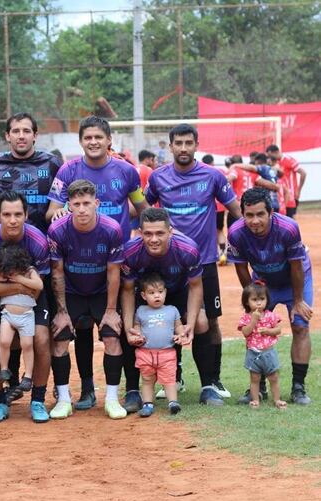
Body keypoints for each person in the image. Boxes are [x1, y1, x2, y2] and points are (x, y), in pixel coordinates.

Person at [46, 116, 148, 412]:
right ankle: (86, 388)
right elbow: (52, 210)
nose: (93, 142)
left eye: (98, 137)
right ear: (81, 141)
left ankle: (128, 391)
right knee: (78, 328)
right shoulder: (68, 170)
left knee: (117, 325)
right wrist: (64, 216)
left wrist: (162, 228)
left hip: (115, 259)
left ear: (108, 140)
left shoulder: (127, 171)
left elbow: (142, 207)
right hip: (77, 259)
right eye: (88, 137)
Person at [144, 124, 241, 402]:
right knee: (166, 320)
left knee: (208, 322)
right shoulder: (159, 178)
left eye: (188, 143)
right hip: (168, 263)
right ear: (170, 146)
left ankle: (213, 379)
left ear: (196, 144)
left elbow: (235, 210)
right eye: (179, 143)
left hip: (205, 261)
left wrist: (242, 241)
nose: (183, 148)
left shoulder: (212, 176)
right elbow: (142, 209)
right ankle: (173, 377)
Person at [0, 112, 62, 398]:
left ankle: (46, 385)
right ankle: (12, 383)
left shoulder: (51, 162)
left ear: (35, 135)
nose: (20, 135)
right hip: (5, 251)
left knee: (38, 327)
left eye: (26, 130)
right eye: (15, 131)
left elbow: (63, 192)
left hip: (40, 248)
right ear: (7, 136)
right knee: (9, 313)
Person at [121, 208, 222, 406]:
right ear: (140, 232)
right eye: (148, 233)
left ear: (170, 231)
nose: (153, 239)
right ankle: (133, 390)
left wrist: (189, 325)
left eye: (160, 233)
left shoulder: (187, 249)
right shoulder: (131, 251)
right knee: (129, 328)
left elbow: (195, 286)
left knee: (202, 322)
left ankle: (208, 387)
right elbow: (126, 290)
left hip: (179, 291)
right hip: (146, 294)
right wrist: (128, 327)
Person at [0, 190, 51, 423]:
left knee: (42, 339)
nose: (12, 220)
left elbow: (38, 288)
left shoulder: (37, 241)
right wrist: (18, 287)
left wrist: (20, 286)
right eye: (7, 214)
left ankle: (37, 399)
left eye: (18, 214)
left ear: (26, 214)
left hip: (31, 299)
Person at [47, 179, 126, 419]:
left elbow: (114, 272)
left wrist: (111, 310)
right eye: (77, 203)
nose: (82, 209)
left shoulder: (112, 229)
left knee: (112, 338)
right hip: (72, 291)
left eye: (87, 203)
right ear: (69, 204)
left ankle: (111, 400)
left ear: (97, 203)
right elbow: (57, 272)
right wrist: (61, 311)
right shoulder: (57, 230)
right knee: (59, 340)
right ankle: (63, 399)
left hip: (102, 291)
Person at [227, 187, 313, 405]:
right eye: (249, 215)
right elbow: (241, 268)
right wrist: (253, 300)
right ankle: (260, 387)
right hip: (263, 283)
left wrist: (297, 300)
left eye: (260, 214)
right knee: (256, 327)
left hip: (295, 279)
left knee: (300, 325)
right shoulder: (236, 233)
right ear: (243, 213)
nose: (254, 221)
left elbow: (296, 267)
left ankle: (298, 388)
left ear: (270, 213)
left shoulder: (288, 228)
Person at [131, 272, 187, 417]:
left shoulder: (172, 310)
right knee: (147, 380)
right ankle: (148, 404)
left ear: (165, 292)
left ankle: (173, 402)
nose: (157, 296)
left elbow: (179, 326)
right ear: (143, 296)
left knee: (169, 380)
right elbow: (137, 325)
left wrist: (181, 335)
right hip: (145, 353)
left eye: (160, 292)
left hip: (167, 353)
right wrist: (137, 335)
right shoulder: (141, 311)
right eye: (151, 293)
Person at [0, 243, 42, 392]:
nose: (11, 272)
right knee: (4, 342)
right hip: (7, 316)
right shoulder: (6, 274)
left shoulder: (29, 271)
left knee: (27, 345)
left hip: (26, 316)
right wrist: (2, 277)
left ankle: (28, 376)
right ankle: (4, 369)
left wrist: (19, 279)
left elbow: (39, 285)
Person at [237, 283, 285, 409]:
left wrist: (269, 331)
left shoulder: (271, 315)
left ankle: (277, 399)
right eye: (254, 300)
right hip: (253, 353)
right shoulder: (246, 317)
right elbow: (245, 332)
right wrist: (253, 320)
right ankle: (255, 400)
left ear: (267, 300)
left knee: (273, 377)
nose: (259, 303)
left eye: (262, 299)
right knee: (254, 378)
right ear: (247, 302)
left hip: (269, 352)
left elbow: (278, 329)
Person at [266, 144, 306, 219]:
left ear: (276, 152)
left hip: (290, 195)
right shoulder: (274, 163)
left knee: (289, 219)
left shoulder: (289, 160)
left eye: (270, 155)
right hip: (280, 196)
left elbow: (303, 173)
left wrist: (298, 190)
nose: (269, 158)